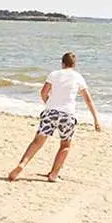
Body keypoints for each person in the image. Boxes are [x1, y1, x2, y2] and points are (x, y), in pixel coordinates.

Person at [8, 52, 101, 182]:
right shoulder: (78, 77)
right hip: (68, 115)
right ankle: (53, 174)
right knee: (65, 145)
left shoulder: (54, 74)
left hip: (50, 112)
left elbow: (43, 92)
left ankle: (22, 165)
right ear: (74, 65)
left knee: (37, 142)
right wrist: (96, 119)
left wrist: (49, 104)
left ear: (62, 63)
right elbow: (88, 100)